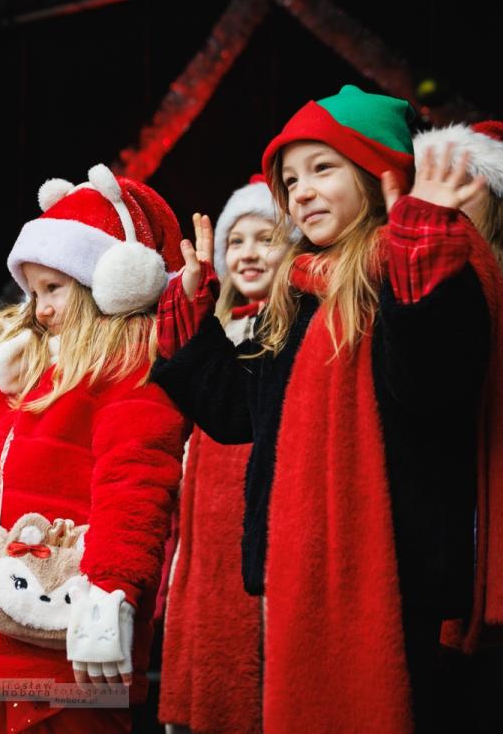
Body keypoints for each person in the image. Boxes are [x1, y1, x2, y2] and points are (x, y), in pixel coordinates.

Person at [151, 85, 503, 733]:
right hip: (299, 565)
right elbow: (239, 412)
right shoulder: (299, 290)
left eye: (321, 168)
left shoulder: (430, 263)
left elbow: (432, 385)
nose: (301, 191)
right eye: (290, 180)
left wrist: (421, 255)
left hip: (395, 572)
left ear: (376, 172)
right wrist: (193, 320)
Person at [0, 164, 187, 732]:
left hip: (62, 659)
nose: (40, 307)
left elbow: (135, 486)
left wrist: (110, 593)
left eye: (55, 288)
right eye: (34, 290)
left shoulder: (128, 372)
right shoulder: (24, 362)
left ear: (109, 285)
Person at [157, 177, 295, 734]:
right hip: (207, 543)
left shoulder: (290, 329)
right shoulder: (218, 330)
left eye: (266, 238)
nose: (248, 253)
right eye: (237, 241)